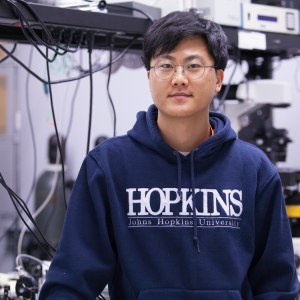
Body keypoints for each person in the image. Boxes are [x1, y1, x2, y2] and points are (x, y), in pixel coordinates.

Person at [39, 11, 299, 300]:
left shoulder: (255, 170)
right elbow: (70, 283)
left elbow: (277, 287)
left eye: (193, 65)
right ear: (150, 77)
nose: (179, 78)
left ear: (218, 79)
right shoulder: (108, 166)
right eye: (165, 65)